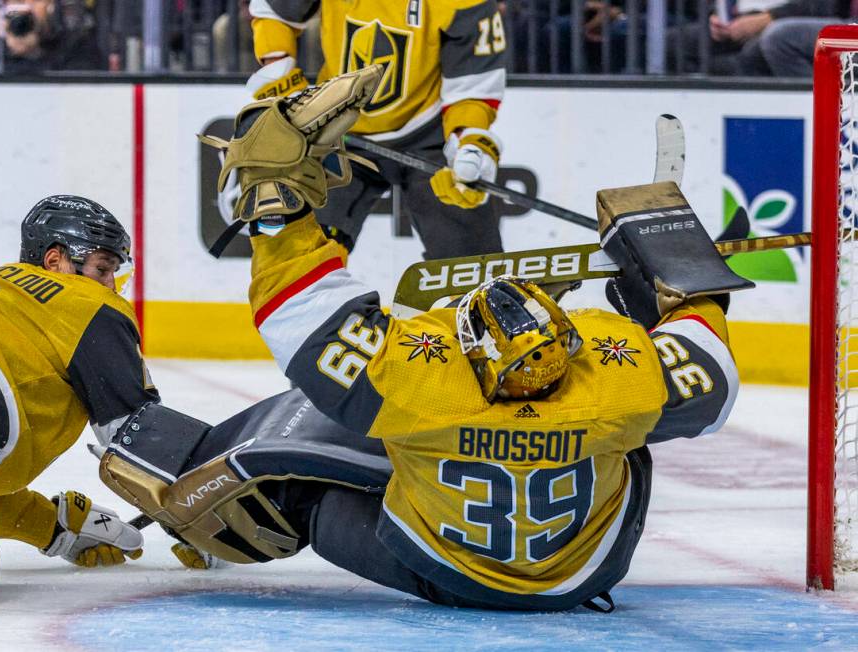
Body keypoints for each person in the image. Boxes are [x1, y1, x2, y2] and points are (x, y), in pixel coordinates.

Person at [98, 68, 749, 611]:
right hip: (583, 574)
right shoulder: (620, 380)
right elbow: (710, 367)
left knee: (313, 491)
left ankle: (225, 533)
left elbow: (301, 316)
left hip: (447, 571)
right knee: (639, 435)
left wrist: (276, 213)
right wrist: (681, 279)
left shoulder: (417, 388)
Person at [0, 195, 157, 606]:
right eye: (102, 268)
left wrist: (51, 526)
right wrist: (201, 514)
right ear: (56, 261)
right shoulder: (87, 303)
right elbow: (139, 434)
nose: (111, 285)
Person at [244, 0, 507, 259]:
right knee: (296, 251)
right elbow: (275, 11)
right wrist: (277, 71)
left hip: (429, 136)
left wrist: (467, 138)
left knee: (471, 264)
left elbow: (472, 85)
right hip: (334, 132)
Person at [0, 0, 103, 74]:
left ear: (52, 7)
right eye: (18, 2)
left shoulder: (77, 44)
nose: (27, 8)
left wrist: (35, 53)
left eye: (36, 0)